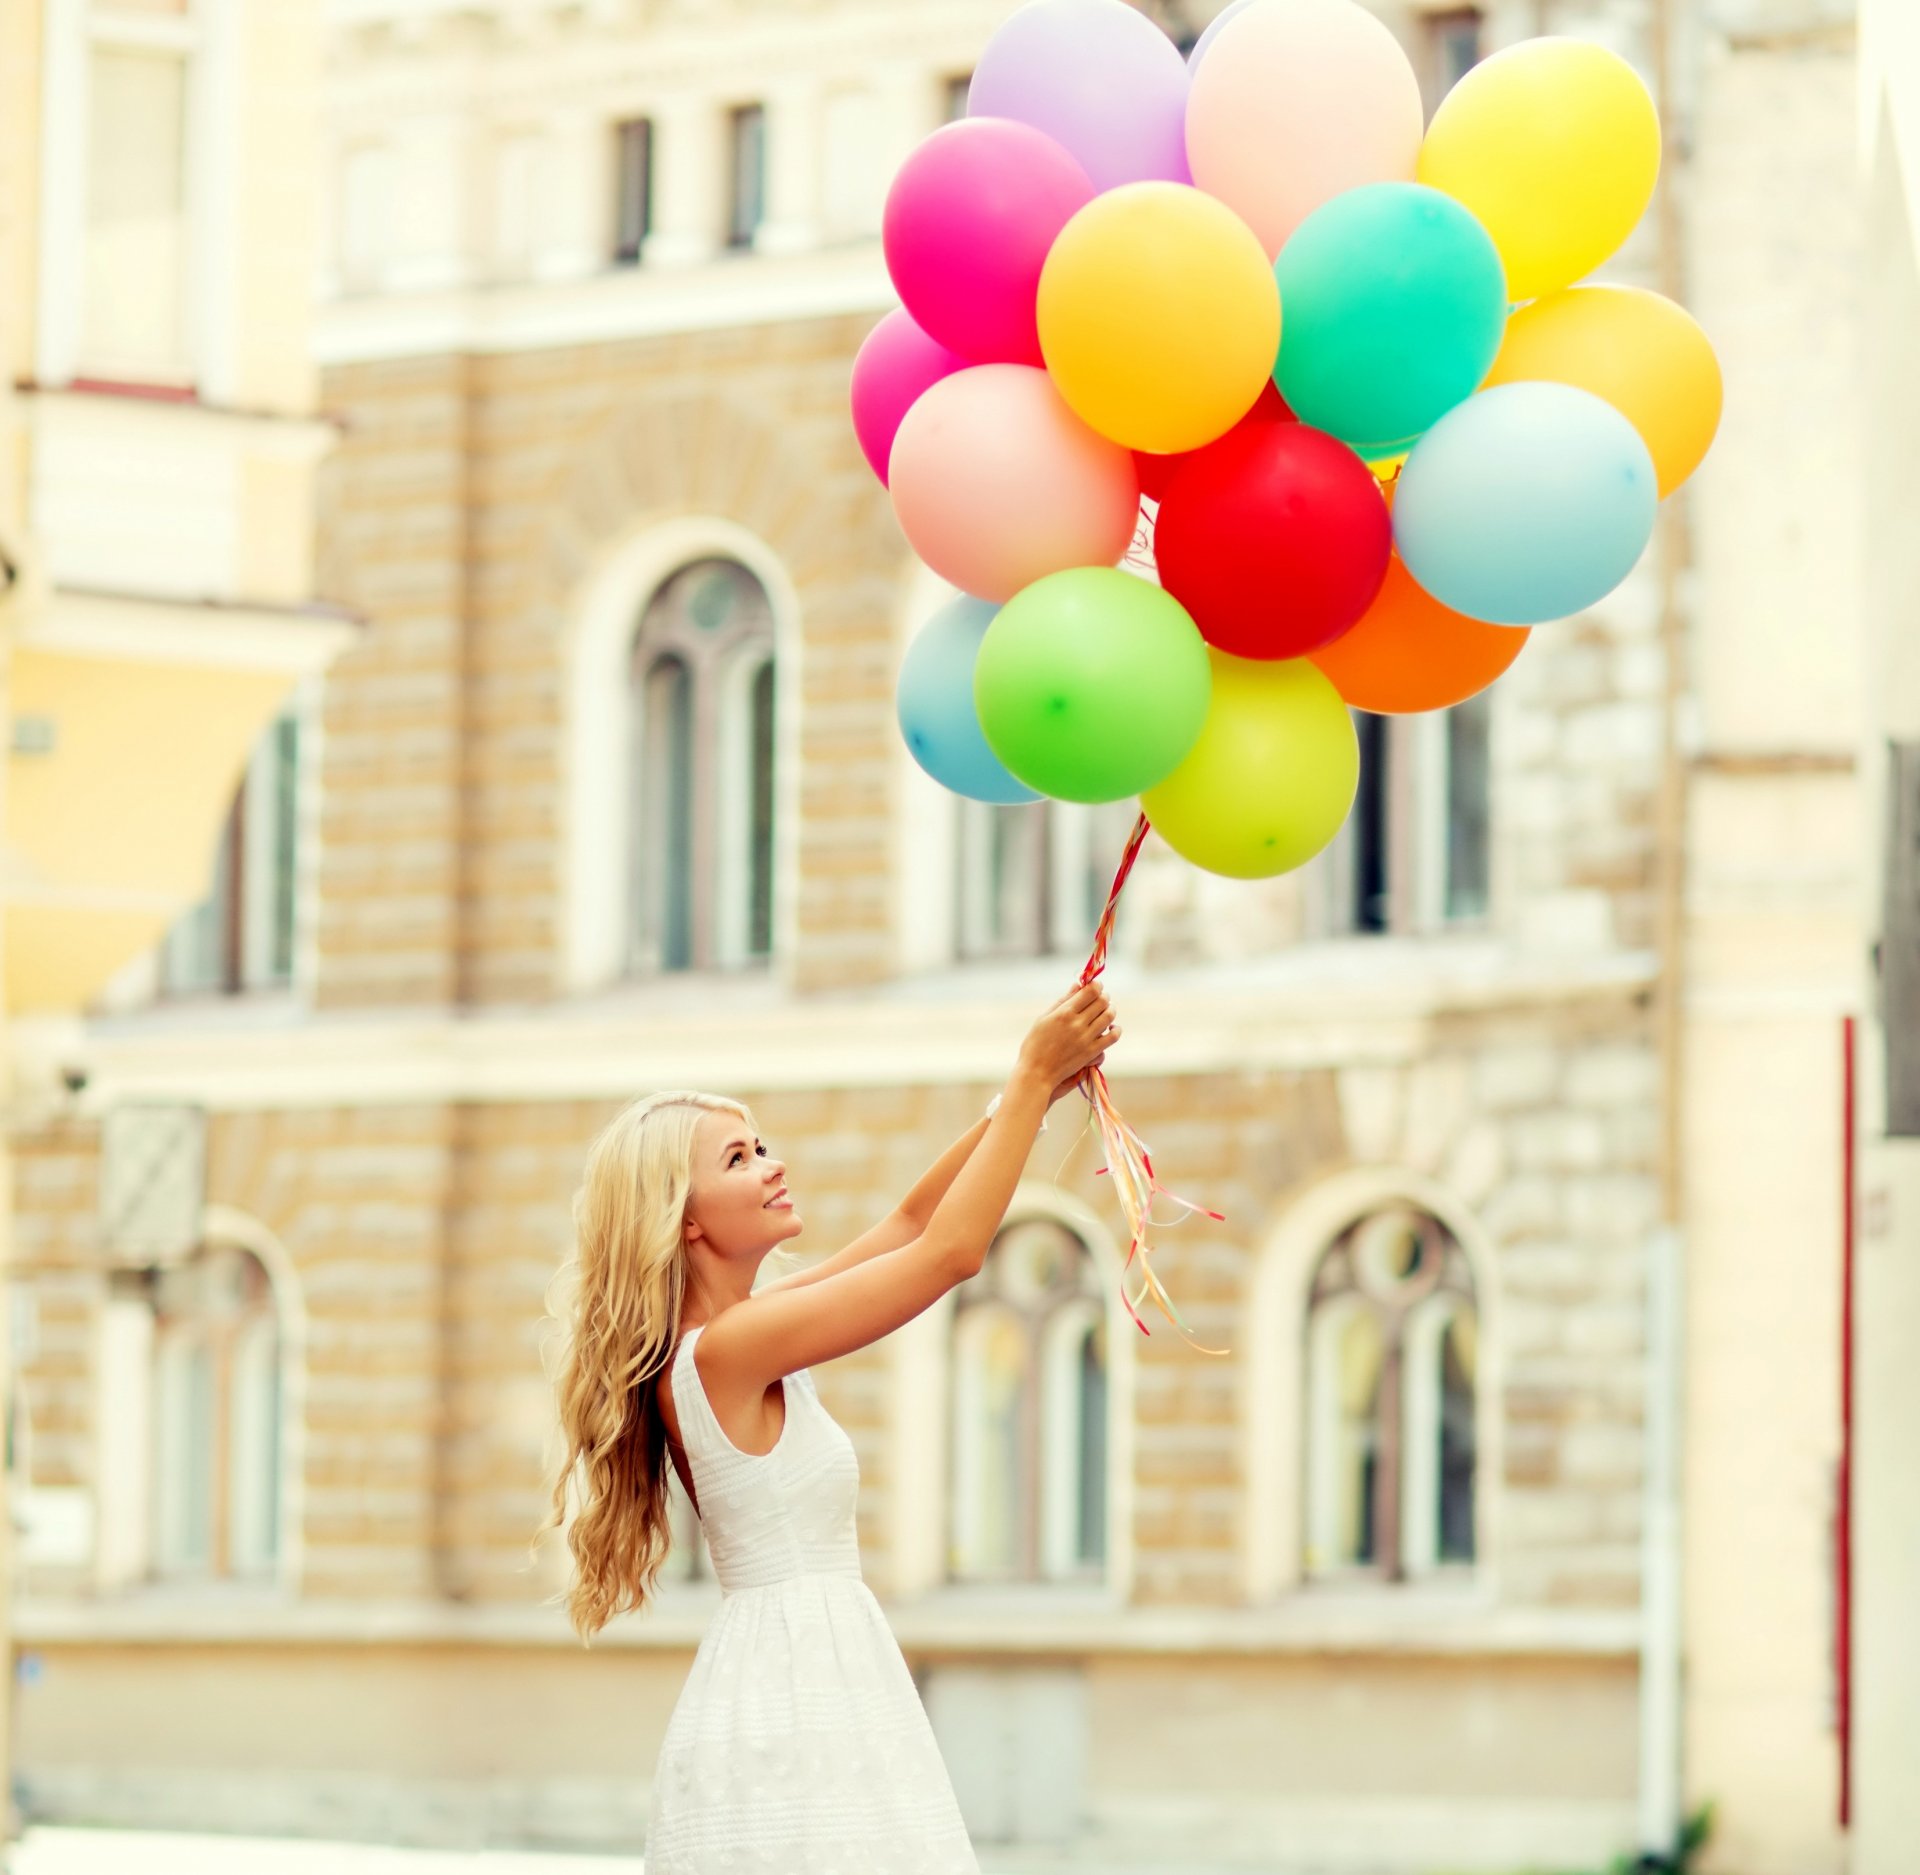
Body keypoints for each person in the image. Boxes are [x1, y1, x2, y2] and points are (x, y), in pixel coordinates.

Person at [543, 982, 1121, 1874]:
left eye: (762, 1146)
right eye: (738, 1158)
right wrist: (1032, 1071)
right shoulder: (728, 1348)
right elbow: (950, 1254)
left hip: (814, 1673)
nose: (772, 1164)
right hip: (794, 1692)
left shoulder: (746, 1329)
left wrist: (1032, 1094)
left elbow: (909, 1222)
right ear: (685, 1217)